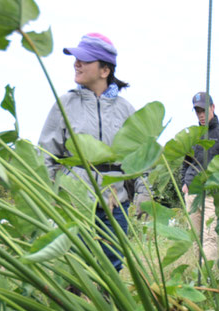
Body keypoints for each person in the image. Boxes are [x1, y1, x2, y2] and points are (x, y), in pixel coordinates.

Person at [38, 32, 149, 271]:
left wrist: (144, 194)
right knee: (78, 267)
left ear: (105, 70)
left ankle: (106, 307)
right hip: (75, 198)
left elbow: (139, 159)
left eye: (85, 60)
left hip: (115, 201)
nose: (76, 64)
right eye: (76, 59)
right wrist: (49, 195)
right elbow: (47, 154)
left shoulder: (126, 110)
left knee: (113, 265)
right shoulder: (65, 104)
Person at [179, 92, 219, 262]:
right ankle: (199, 276)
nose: (201, 115)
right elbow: (186, 162)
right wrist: (184, 182)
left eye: (204, 110)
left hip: (213, 192)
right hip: (192, 191)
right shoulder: (193, 135)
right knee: (196, 238)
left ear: (213, 107)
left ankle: (208, 277)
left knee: (210, 236)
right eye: (198, 111)